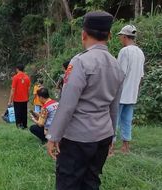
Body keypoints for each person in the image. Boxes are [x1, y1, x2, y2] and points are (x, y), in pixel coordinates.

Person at [46, 11, 125, 190]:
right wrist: (112, 135)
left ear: (83, 34)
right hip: (103, 135)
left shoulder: (80, 62)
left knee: (69, 182)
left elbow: (67, 105)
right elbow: (114, 107)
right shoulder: (116, 65)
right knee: (91, 181)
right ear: (110, 36)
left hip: (77, 139)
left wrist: (53, 136)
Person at [111, 25, 145, 154]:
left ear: (125, 37)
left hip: (121, 94)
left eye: (121, 37)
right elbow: (141, 76)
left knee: (114, 121)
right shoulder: (140, 52)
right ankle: (125, 147)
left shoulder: (124, 51)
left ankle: (111, 148)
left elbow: (120, 74)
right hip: (132, 95)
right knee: (127, 120)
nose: (120, 39)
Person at [8, 64, 31, 129]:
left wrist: (9, 101)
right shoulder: (27, 77)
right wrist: (28, 97)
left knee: (18, 113)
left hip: (17, 100)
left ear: (17, 69)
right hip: (25, 99)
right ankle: (25, 126)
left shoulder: (15, 77)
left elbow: (13, 90)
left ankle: (18, 126)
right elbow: (28, 89)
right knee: (24, 113)